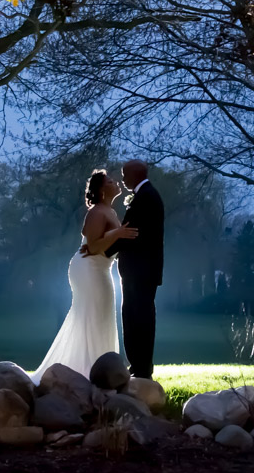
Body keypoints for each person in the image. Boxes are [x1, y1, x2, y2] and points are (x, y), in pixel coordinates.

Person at [29, 170, 137, 382]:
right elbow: (94, 246)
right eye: (110, 180)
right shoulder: (96, 212)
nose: (116, 182)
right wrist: (117, 233)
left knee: (101, 315)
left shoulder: (110, 211)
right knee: (92, 315)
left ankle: (100, 370)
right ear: (100, 189)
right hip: (89, 269)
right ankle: (90, 372)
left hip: (101, 268)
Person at [103, 159, 164, 379]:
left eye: (124, 174)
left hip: (139, 271)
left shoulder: (145, 198)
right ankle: (139, 365)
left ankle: (141, 367)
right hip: (141, 270)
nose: (122, 179)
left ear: (135, 175)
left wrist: (102, 252)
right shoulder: (146, 195)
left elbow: (129, 233)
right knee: (136, 316)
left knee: (137, 317)